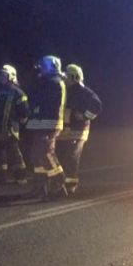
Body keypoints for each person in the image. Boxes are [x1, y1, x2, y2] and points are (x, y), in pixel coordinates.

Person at [26, 55, 67, 199]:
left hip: (48, 123)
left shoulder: (53, 82)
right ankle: (40, 186)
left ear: (52, 67)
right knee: (36, 155)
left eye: (43, 66)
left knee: (46, 153)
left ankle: (58, 184)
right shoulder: (46, 81)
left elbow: (39, 101)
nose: (40, 68)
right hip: (40, 123)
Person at [57, 64, 101, 195]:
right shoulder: (66, 90)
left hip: (78, 131)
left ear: (74, 77)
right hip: (66, 130)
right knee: (62, 155)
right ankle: (61, 183)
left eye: (67, 76)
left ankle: (71, 185)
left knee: (72, 157)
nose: (65, 78)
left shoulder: (84, 92)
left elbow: (97, 105)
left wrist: (84, 116)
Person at [0, 64, 29, 184]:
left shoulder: (18, 93)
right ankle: (0, 177)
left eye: (4, 75)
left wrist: (20, 122)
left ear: (11, 77)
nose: (1, 78)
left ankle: (20, 177)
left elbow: (24, 111)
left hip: (10, 128)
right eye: (0, 75)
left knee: (14, 153)